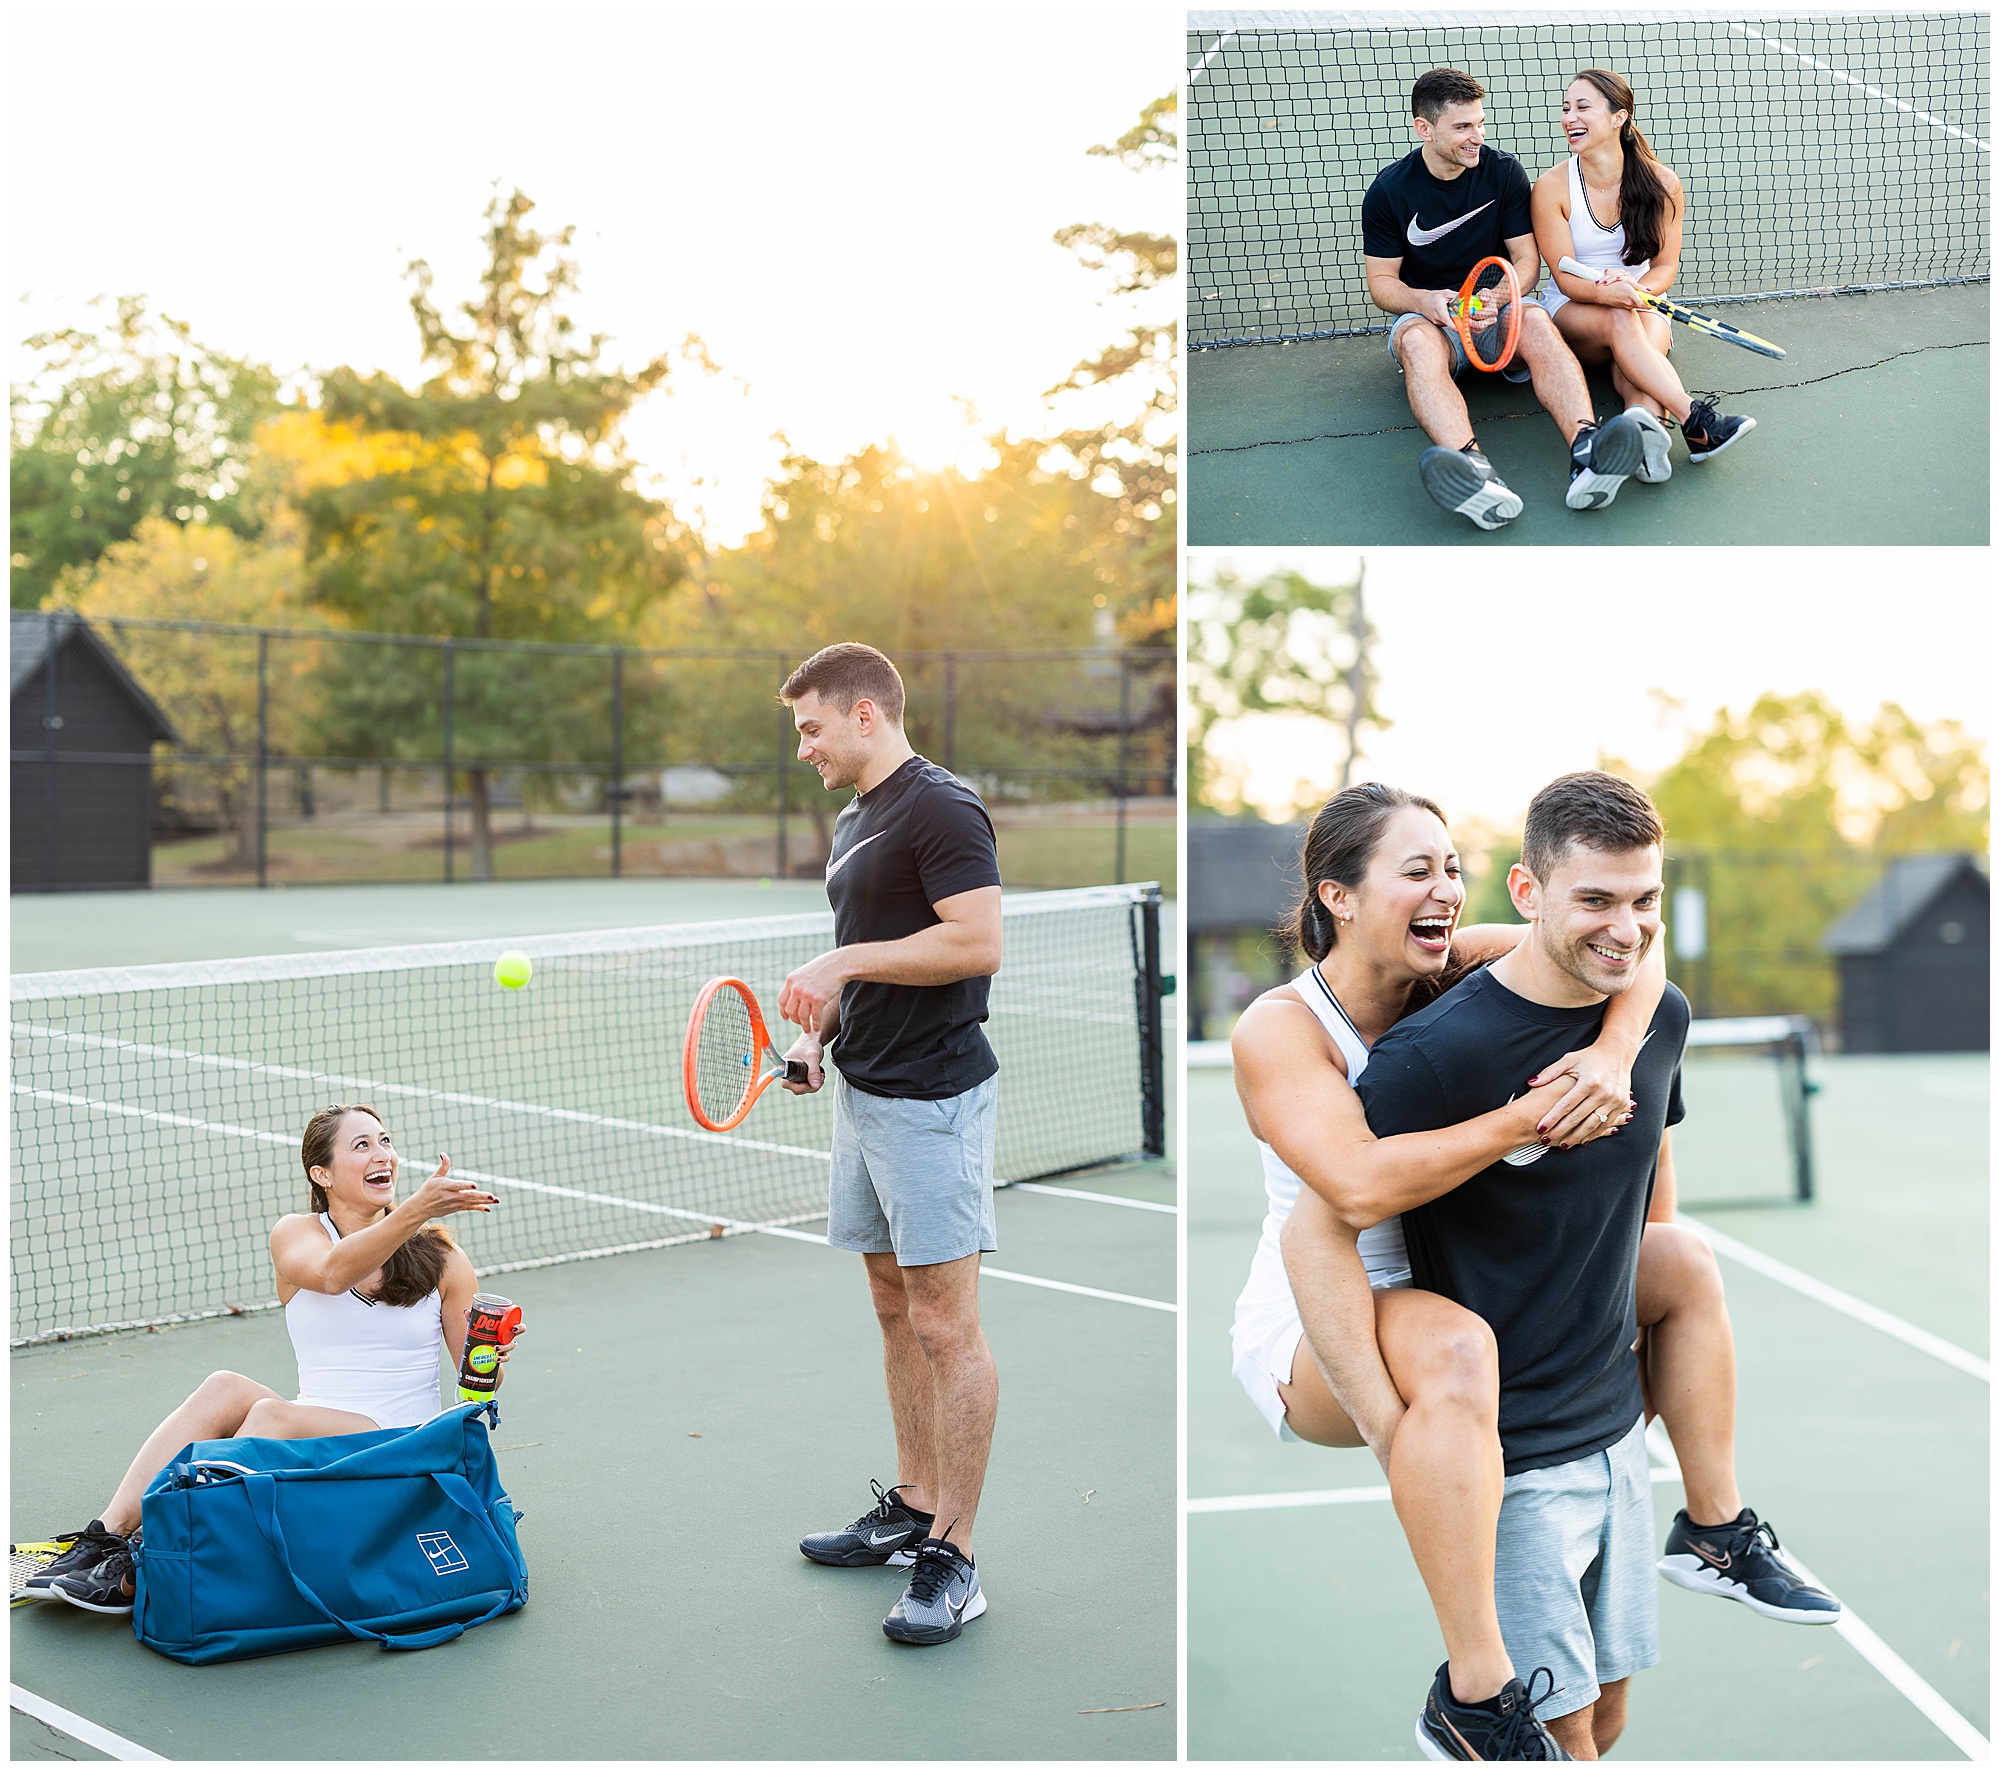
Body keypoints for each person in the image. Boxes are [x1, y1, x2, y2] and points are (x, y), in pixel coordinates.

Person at [1233, 780, 1838, 1761]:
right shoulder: (1281, 1027)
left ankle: (1715, 1528)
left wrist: (1612, 1052)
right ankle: (1473, 1690)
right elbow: (1348, 1193)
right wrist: (1530, 1116)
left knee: (1678, 1258)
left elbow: (1624, 947)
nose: (1444, 890)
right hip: (1330, 1306)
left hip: (1458, 1281)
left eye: (1450, 868)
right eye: (1416, 870)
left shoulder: (1456, 961)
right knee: (1460, 1354)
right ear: (1338, 896)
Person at [19, 1104, 506, 1615]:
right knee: (224, 1387)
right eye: (361, 1145)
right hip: (318, 1422)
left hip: (399, 1440)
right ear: (322, 1174)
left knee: (272, 1416)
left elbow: (476, 1381)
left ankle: (150, 1556)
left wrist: (493, 1354)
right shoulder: (297, 1234)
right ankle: (106, 1535)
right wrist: (415, 1212)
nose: (382, 1154)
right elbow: (332, 1274)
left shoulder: (443, 1257)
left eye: (385, 1141)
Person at [776, 642, 1004, 1647]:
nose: (804, 749)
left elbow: (976, 941)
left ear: (864, 712)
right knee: (889, 1301)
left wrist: (837, 963)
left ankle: (954, 1556)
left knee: (946, 1324)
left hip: (933, 1100)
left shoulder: (940, 807)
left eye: (811, 727)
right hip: (863, 1089)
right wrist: (815, 1034)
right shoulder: (853, 819)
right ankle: (914, 1505)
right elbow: (866, 968)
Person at [1362, 67, 1646, 531]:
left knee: (1536, 322)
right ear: (1424, 129)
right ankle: (1475, 473)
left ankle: (1589, 451)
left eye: (1480, 123)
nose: (1478, 137)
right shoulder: (1389, 191)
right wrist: (1425, 301)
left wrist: (1496, 296)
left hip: (1498, 311)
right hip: (1433, 322)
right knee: (1414, 343)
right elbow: (1382, 283)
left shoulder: (1502, 171)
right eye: (1462, 127)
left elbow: (1526, 260)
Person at [1531, 69, 1755, 481]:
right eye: (1566, 109)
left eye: (1582, 107)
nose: (1569, 118)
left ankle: (1645, 436)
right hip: (1575, 307)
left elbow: (1664, 267)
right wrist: (1609, 294)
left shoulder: (1663, 183)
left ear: (1618, 117)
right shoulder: (1551, 187)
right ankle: (1695, 418)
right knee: (1622, 320)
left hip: (1643, 300)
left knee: (1634, 351)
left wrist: (1638, 289)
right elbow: (1565, 278)